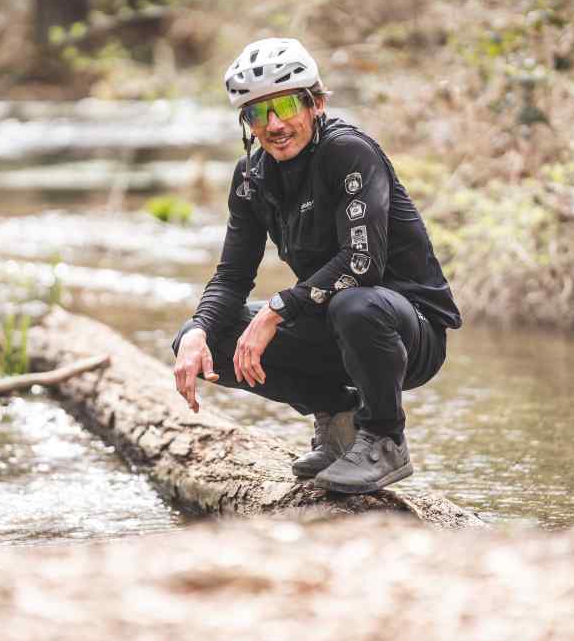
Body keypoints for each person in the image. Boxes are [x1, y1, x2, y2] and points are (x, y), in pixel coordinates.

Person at [172, 38, 461, 494]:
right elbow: (232, 276)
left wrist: (276, 309)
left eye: (286, 106)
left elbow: (363, 263)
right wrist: (197, 330)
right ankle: (339, 421)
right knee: (211, 338)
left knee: (356, 305)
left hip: (407, 329)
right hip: (331, 321)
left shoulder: (348, 152)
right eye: (257, 113)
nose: (274, 124)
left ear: (316, 103)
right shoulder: (250, 177)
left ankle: (384, 438)